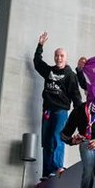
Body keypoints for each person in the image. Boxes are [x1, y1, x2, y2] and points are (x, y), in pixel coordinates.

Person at [33, 32, 83, 179]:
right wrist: (40, 45)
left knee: (57, 137)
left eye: (61, 56)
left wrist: (81, 116)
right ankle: (47, 172)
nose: (59, 58)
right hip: (47, 111)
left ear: (66, 58)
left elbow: (76, 95)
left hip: (61, 111)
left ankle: (57, 167)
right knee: (46, 141)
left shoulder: (70, 75)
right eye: (57, 55)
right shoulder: (49, 71)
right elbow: (37, 62)